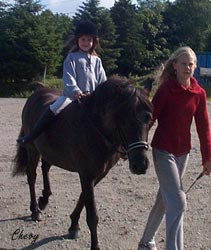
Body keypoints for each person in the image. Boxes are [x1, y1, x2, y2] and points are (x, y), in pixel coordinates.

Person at [138, 46, 211, 250]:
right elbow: (150, 120)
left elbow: (204, 128)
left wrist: (208, 157)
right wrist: (135, 146)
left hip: (183, 154)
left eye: (191, 64)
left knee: (165, 199)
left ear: (195, 67)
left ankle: (145, 242)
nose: (187, 68)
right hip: (163, 151)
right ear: (175, 66)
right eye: (183, 64)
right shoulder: (166, 90)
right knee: (178, 202)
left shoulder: (198, 94)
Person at [17, 20, 107, 145]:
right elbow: (69, 77)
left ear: (94, 42)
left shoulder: (97, 61)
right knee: (55, 108)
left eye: (89, 40)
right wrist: (76, 92)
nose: (86, 43)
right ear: (77, 40)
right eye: (83, 39)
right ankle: (31, 135)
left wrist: (102, 94)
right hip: (72, 97)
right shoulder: (71, 57)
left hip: (92, 98)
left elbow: (102, 81)